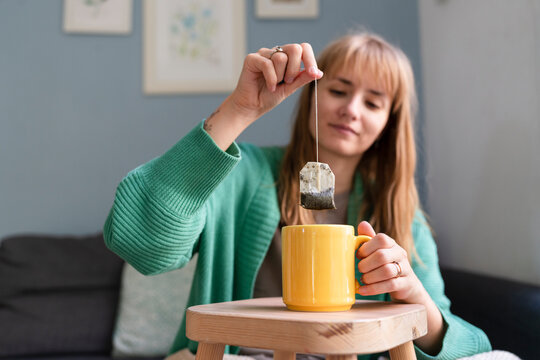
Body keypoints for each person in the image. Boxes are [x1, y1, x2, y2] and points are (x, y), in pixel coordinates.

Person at [104, 31, 492, 359]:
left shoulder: (399, 213)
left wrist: (412, 294)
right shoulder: (245, 176)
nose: (352, 110)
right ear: (311, 96)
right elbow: (139, 242)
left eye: (373, 102)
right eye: (338, 90)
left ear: (389, 125)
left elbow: (472, 348)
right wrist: (238, 110)